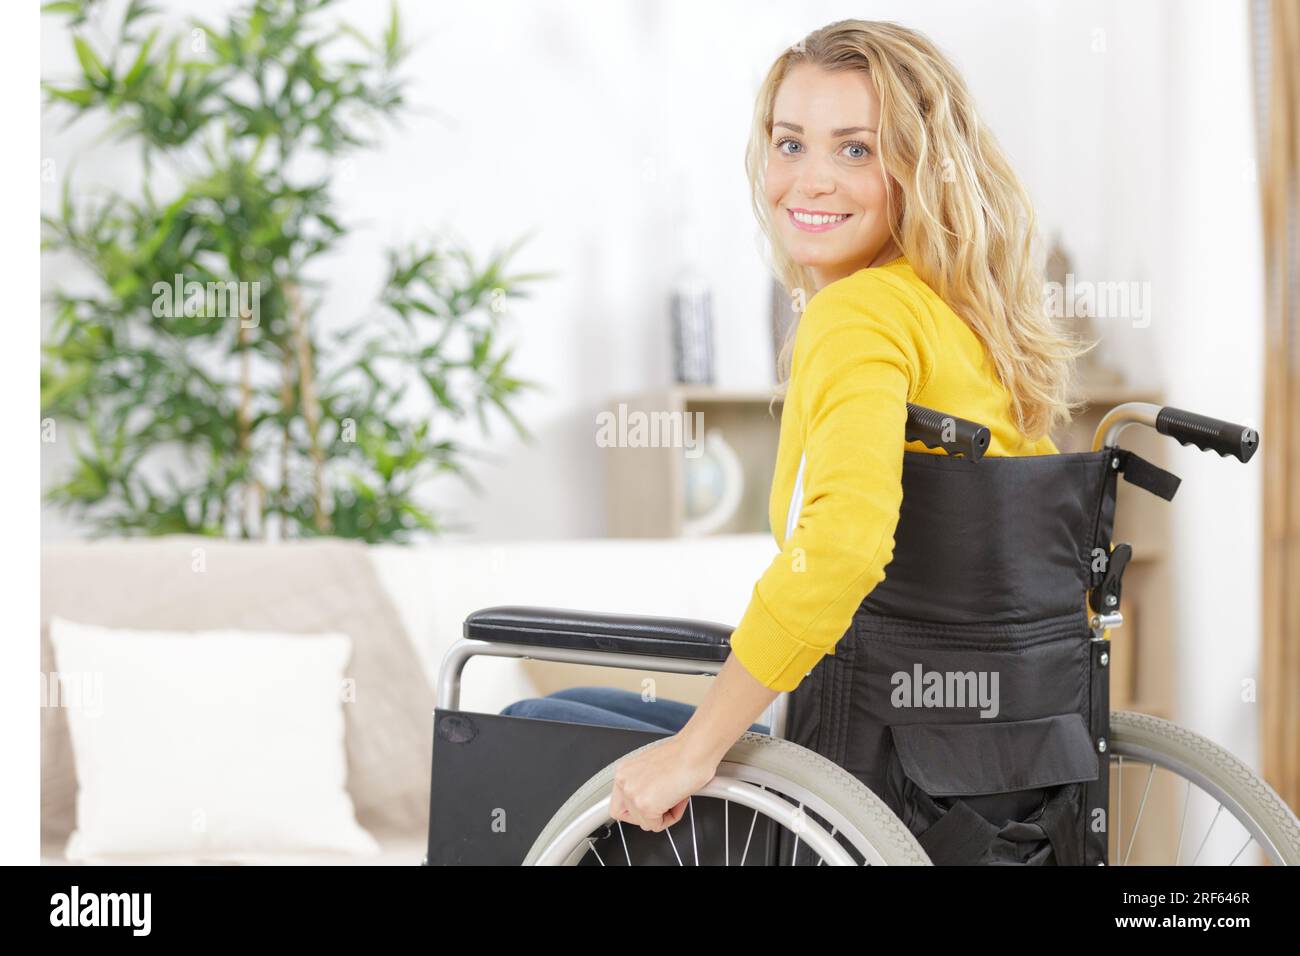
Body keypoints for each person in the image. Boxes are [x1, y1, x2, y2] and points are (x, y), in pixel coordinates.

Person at [500, 18, 1087, 834]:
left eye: (856, 149)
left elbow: (842, 549)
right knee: (578, 707)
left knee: (529, 734)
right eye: (789, 144)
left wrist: (698, 747)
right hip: (980, 766)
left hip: (863, 772)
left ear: (921, 169)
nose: (809, 181)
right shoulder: (967, 320)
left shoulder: (857, 316)